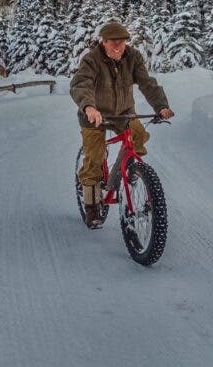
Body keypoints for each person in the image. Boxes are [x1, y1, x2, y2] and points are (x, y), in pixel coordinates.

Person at [70, 20, 174, 228]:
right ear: (104, 42)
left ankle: (129, 171)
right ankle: (91, 206)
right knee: (94, 159)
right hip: (95, 116)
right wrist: (89, 107)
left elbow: (147, 83)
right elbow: (81, 84)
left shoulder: (133, 57)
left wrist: (161, 106)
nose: (117, 47)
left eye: (121, 42)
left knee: (139, 136)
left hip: (123, 113)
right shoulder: (92, 60)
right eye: (112, 43)